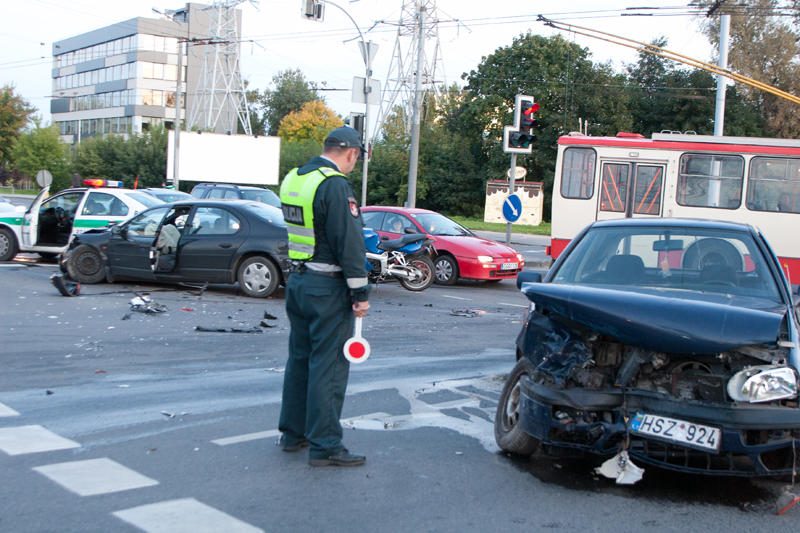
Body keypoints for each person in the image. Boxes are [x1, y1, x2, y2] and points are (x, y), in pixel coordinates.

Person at [278, 126, 370, 467]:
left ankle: (293, 433)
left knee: (299, 360)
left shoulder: (294, 179)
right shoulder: (334, 185)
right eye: (355, 159)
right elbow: (349, 243)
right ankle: (326, 445)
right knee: (328, 366)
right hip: (327, 288)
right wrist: (360, 292)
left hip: (299, 281)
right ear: (351, 153)